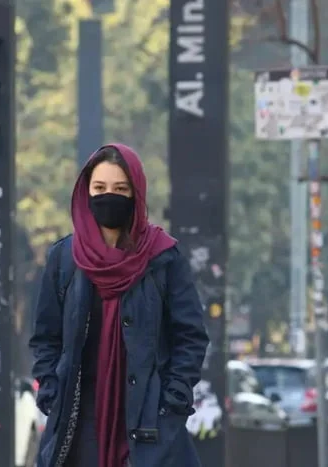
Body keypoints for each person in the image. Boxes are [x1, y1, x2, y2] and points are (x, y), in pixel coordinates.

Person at [29, 144, 209, 467]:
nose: (107, 196)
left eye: (120, 189)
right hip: (76, 422)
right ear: (86, 192)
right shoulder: (64, 260)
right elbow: (45, 337)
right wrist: (52, 392)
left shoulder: (163, 258)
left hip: (148, 424)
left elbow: (191, 337)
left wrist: (172, 400)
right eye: (99, 188)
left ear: (136, 194)